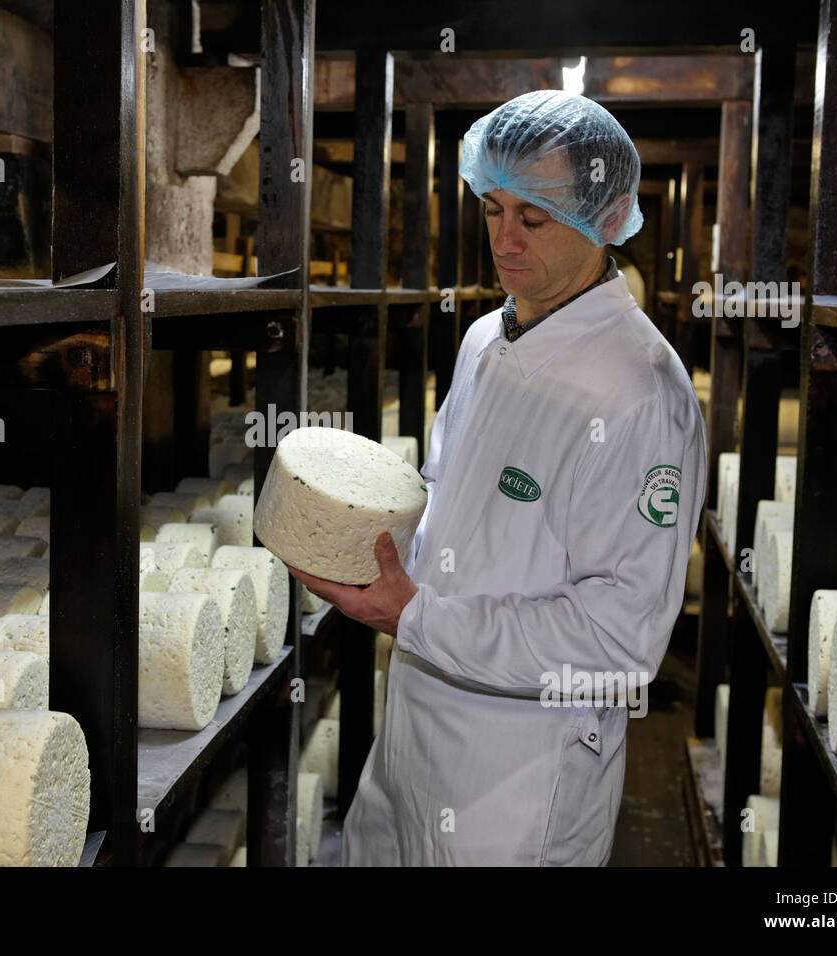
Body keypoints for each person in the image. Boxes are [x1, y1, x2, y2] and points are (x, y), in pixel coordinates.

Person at [286, 90, 708, 865]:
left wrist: (416, 618)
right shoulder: (486, 337)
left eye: (534, 219)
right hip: (413, 730)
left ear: (606, 220)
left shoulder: (642, 392)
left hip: (515, 779)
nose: (505, 242)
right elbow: (449, 500)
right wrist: (363, 548)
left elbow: (619, 644)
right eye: (491, 210)